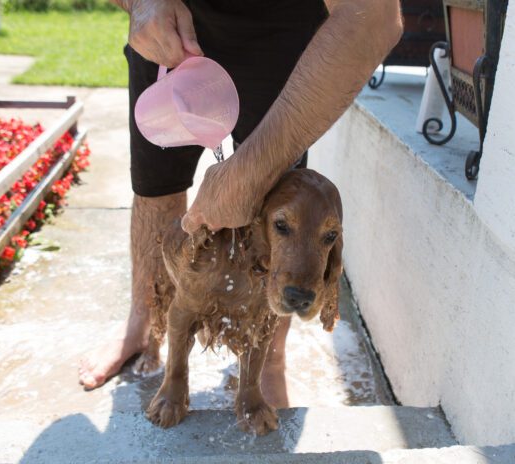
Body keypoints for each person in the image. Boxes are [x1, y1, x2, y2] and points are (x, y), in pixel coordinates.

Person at [79, 0, 402, 407]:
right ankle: (145, 324)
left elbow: (374, 17)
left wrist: (251, 171)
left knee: (284, 200)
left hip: (281, 34)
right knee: (155, 184)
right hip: (171, 28)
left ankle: (270, 359)